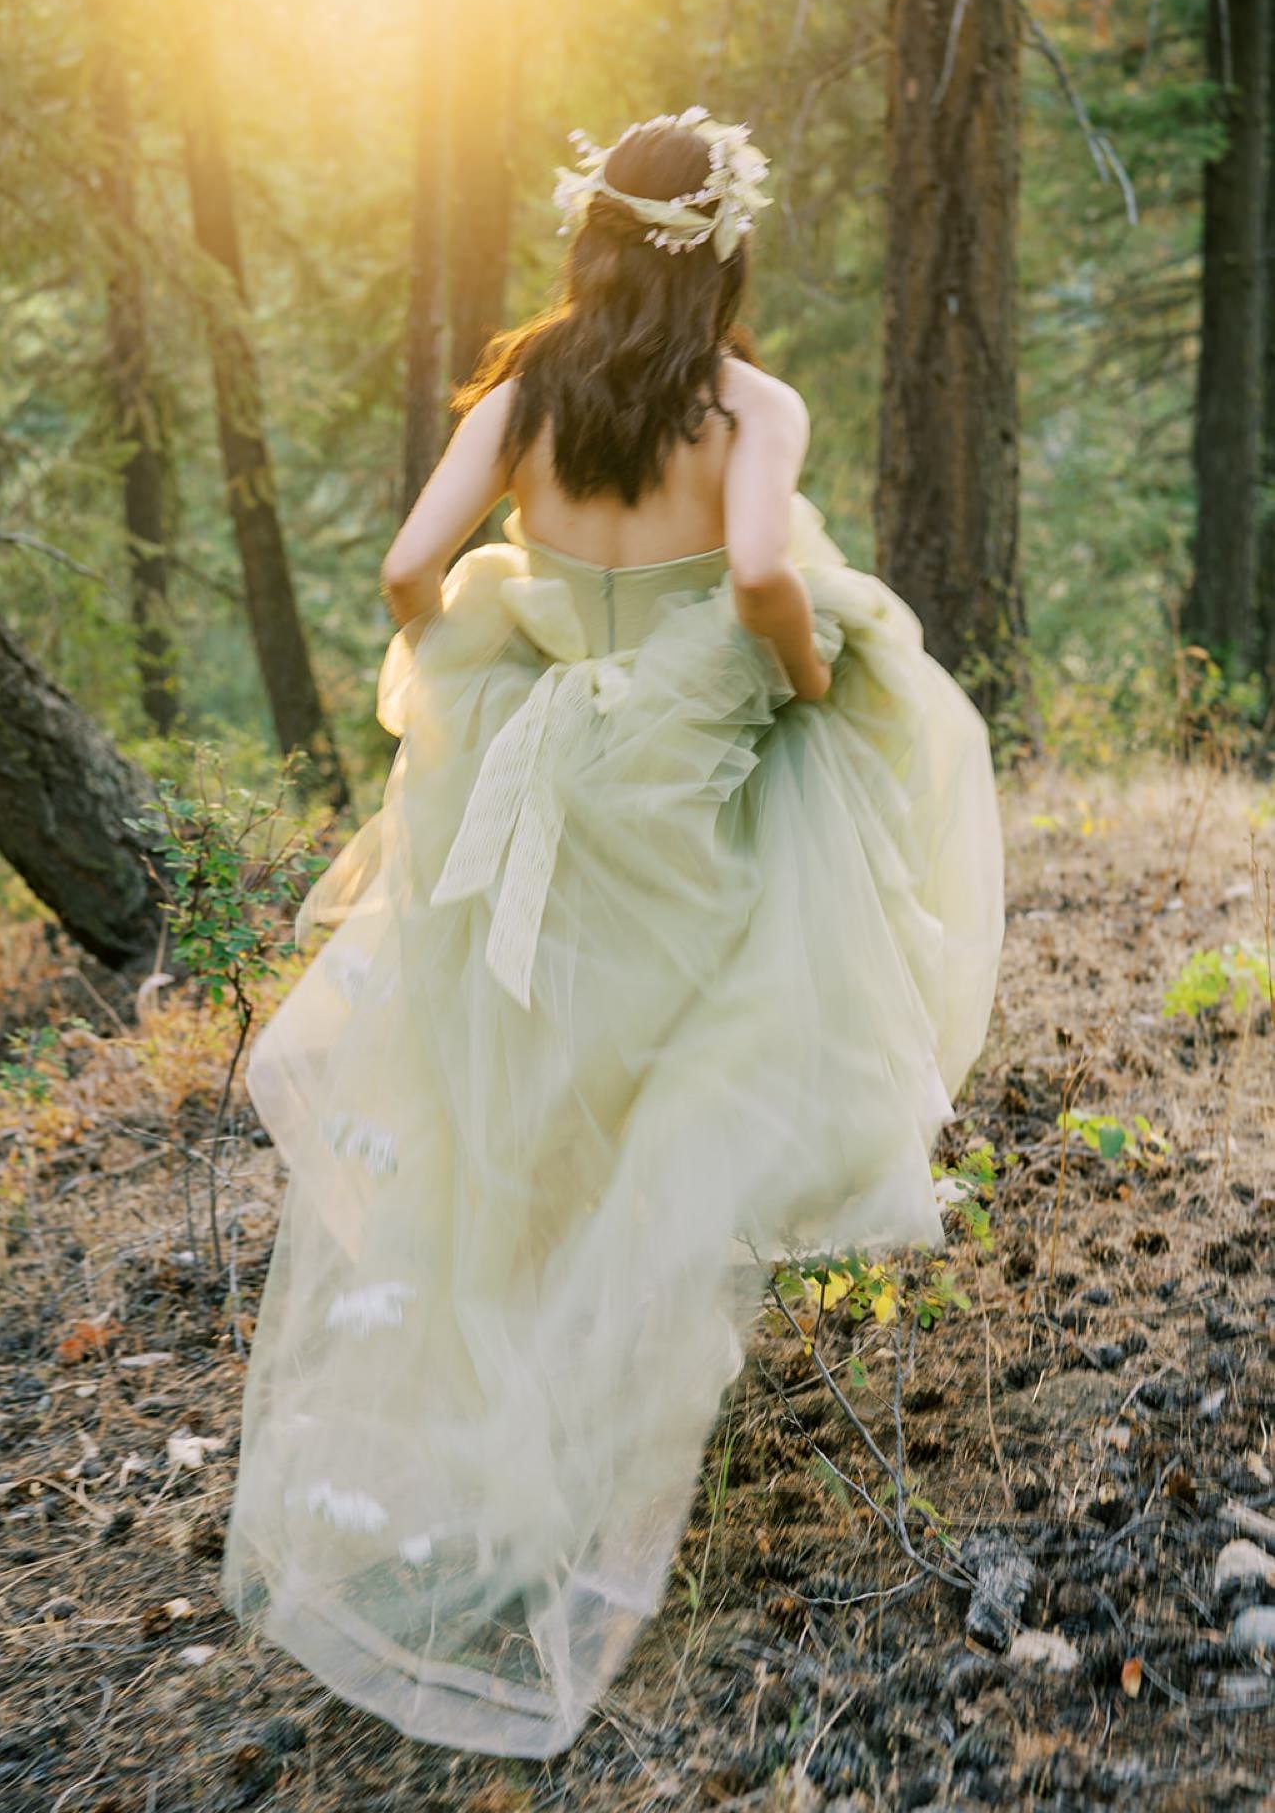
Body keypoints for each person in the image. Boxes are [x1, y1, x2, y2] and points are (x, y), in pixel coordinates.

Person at [219, 107, 1005, 1759]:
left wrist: (490, 676)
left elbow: (408, 564)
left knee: (522, 1105)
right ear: (724, 246)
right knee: (687, 1091)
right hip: (687, 783)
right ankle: (590, 1478)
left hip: (535, 779)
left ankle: (501, 1462)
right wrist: (799, 686)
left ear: (592, 236)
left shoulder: (525, 389)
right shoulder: (750, 405)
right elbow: (766, 575)